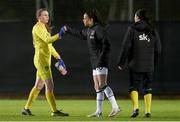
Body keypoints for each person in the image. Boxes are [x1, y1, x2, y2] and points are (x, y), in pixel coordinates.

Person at [60, 9, 120, 117]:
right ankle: (99, 111)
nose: (83, 20)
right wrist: (66, 29)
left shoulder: (98, 29)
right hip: (94, 62)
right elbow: (78, 33)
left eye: (85, 18)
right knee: (97, 86)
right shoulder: (88, 30)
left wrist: (101, 59)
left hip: (101, 61)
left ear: (91, 19)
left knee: (102, 84)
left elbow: (107, 45)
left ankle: (115, 107)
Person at [21, 8, 69, 116]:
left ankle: (26, 108)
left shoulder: (43, 27)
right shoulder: (37, 27)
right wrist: (59, 34)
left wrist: (59, 58)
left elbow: (49, 45)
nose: (47, 17)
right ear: (39, 17)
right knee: (50, 85)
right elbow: (48, 40)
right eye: (44, 15)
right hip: (41, 61)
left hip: (44, 61)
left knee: (38, 86)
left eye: (47, 15)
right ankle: (54, 110)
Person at [117, 9, 161, 118]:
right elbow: (158, 49)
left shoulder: (132, 29)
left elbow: (125, 46)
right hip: (149, 65)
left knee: (134, 87)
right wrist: (153, 63)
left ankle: (135, 108)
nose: (134, 18)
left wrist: (121, 62)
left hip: (135, 64)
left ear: (137, 17)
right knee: (148, 87)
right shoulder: (152, 29)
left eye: (135, 16)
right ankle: (147, 111)